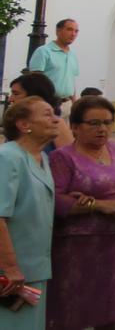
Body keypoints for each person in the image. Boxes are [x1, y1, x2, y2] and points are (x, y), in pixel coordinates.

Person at [46, 96, 115, 330]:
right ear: (74, 126)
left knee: (110, 311)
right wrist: (98, 205)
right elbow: (55, 201)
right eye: (93, 123)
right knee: (70, 312)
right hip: (77, 246)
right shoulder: (63, 158)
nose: (102, 129)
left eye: (107, 122)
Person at [0, 97, 58, 330]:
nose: (55, 119)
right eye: (46, 114)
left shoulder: (42, 157)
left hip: (34, 267)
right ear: (24, 125)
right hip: (11, 272)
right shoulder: (8, 157)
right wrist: (10, 267)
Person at [9, 73, 72, 149]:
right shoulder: (14, 123)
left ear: (33, 96)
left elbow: (69, 158)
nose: (10, 99)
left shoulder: (55, 123)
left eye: (16, 94)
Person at [28, 19, 80, 104]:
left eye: (76, 31)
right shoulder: (43, 51)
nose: (73, 34)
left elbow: (70, 81)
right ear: (58, 31)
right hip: (48, 102)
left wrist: (74, 102)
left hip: (66, 103)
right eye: (69, 29)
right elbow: (35, 79)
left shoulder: (72, 55)